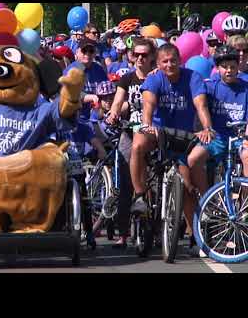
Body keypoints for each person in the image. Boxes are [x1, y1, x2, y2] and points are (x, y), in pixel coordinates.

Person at [130, 44, 214, 219]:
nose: (169, 65)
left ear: (180, 61)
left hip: (183, 136)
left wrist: (207, 128)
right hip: (157, 132)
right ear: (158, 64)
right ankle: (139, 196)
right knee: (137, 145)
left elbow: (201, 105)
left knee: (187, 188)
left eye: (173, 60)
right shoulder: (154, 79)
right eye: (165, 61)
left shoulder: (193, 78)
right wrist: (146, 125)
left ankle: (194, 236)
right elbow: (148, 105)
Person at [186, 45, 248, 256]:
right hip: (217, 137)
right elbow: (190, 89)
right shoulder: (210, 86)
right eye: (224, 67)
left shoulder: (246, 87)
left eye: (232, 66)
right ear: (217, 69)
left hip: (240, 138)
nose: (229, 70)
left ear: (238, 66)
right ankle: (208, 199)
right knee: (193, 160)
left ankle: (245, 206)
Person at [106, 37, 157, 248]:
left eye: (145, 55)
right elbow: (117, 102)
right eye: (136, 54)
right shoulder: (127, 79)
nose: (140, 59)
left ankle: (158, 228)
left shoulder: (158, 77)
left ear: (152, 57)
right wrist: (113, 113)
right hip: (129, 131)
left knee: (156, 181)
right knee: (126, 183)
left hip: (153, 132)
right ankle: (124, 233)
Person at [64, 38, 109, 122]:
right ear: (77, 52)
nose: (87, 54)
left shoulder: (98, 69)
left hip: (98, 117)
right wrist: (89, 97)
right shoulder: (71, 70)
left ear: (95, 53)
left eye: (91, 51)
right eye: (84, 51)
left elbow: (107, 90)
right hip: (77, 117)